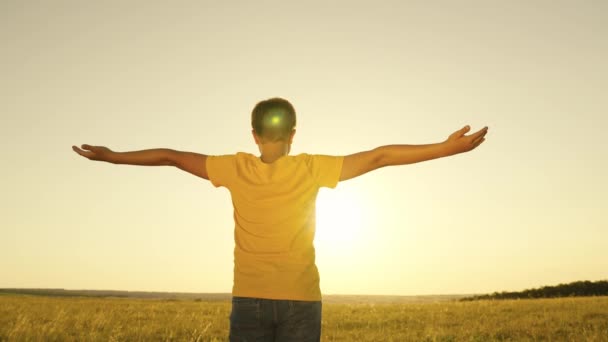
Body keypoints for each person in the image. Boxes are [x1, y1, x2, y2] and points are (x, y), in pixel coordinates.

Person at [72, 97, 488, 341]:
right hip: (302, 302)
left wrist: (112, 156)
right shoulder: (311, 167)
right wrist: (444, 148)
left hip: (249, 300)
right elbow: (380, 156)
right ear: (293, 134)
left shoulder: (234, 167)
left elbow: (169, 157)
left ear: (253, 134)